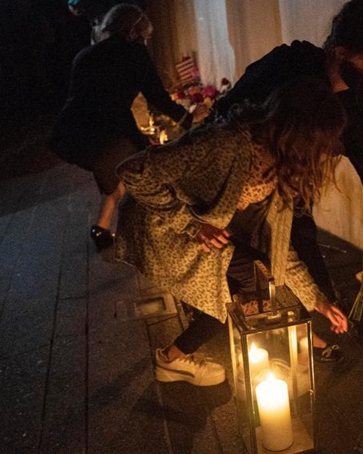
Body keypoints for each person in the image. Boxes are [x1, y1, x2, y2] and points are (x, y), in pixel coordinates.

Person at [115, 78, 349, 386]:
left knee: (245, 281)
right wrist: (192, 225)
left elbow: (281, 253)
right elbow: (133, 171)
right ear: (299, 134)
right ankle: (175, 360)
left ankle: (172, 357)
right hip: (162, 228)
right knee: (236, 285)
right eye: (322, 145)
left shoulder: (279, 167)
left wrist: (318, 301)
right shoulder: (226, 146)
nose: (325, 156)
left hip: (205, 232)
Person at [213, 0, 363, 316]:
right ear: (341, 53)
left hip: (289, 197)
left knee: (307, 282)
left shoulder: (358, 111)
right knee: (244, 278)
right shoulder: (287, 66)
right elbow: (226, 117)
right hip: (233, 190)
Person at [49, 3, 206, 252]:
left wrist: (140, 137)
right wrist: (189, 120)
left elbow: (101, 105)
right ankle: (149, 232)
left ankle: (101, 231)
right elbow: (157, 97)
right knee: (134, 174)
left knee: (118, 178)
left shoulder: (85, 54)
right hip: (104, 137)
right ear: (134, 31)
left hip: (70, 134)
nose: (144, 41)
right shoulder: (133, 53)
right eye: (144, 35)